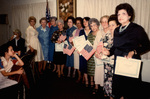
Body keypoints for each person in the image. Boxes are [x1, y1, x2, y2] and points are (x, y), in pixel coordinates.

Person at [102, 3, 150, 99]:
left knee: (130, 91)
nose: (120, 16)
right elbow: (115, 47)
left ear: (129, 15)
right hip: (118, 62)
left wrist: (134, 51)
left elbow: (147, 45)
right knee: (119, 90)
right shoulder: (116, 30)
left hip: (130, 62)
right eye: (118, 14)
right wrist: (108, 52)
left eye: (123, 13)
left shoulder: (137, 29)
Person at [101, 14, 119, 99]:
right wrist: (101, 52)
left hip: (116, 63)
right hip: (107, 61)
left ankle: (113, 95)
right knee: (107, 78)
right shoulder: (106, 36)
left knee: (114, 81)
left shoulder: (120, 37)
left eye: (113, 25)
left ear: (117, 25)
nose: (111, 27)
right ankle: (108, 94)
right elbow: (102, 47)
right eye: (110, 25)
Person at [87, 18, 101, 94]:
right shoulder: (90, 34)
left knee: (97, 70)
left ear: (98, 25)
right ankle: (92, 82)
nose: (93, 27)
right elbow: (87, 44)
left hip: (97, 54)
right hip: (90, 54)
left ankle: (96, 86)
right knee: (91, 69)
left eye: (94, 25)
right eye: (91, 26)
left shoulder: (101, 33)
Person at [79, 17, 92, 86]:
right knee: (84, 65)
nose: (85, 23)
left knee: (90, 66)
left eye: (86, 21)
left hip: (91, 51)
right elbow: (79, 42)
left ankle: (92, 80)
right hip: (83, 51)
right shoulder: (81, 31)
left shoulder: (93, 30)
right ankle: (86, 80)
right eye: (83, 22)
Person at [72, 17, 83, 82]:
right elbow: (72, 40)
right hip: (76, 50)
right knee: (77, 64)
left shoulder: (83, 30)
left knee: (82, 64)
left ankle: (84, 77)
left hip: (82, 50)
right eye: (76, 23)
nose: (78, 24)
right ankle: (79, 76)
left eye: (79, 23)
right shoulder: (74, 31)